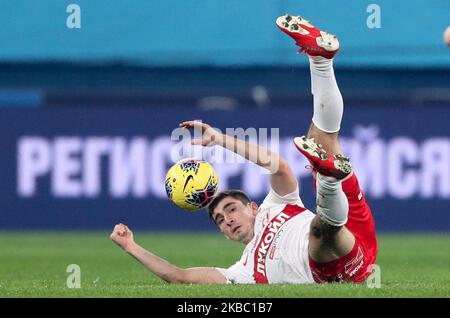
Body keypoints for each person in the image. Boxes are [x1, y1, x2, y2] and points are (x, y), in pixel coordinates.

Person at [110, 14, 378, 284]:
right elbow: (179, 277)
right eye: (220, 220)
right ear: (224, 235)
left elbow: (276, 164)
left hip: (351, 229)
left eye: (231, 209)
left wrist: (220, 139)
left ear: (252, 207)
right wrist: (130, 246)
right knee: (321, 230)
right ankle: (329, 177)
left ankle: (320, 60)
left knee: (322, 143)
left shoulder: (277, 205)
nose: (227, 219)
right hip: (337, 264)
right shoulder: (243, 271)